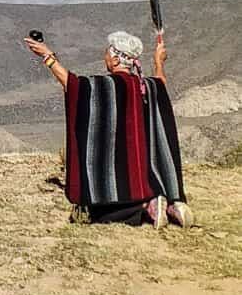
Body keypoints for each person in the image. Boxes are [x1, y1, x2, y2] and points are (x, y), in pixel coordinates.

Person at [24, 29, 193, 228]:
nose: (105, 58)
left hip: (123, 188)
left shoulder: (107, 86)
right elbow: (161, 84)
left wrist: (47, 56)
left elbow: (73, 85)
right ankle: (168, 204)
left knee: (103, 210)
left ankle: (147, 206)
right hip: (147, 181)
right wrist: (158, 62)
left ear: (114, 59)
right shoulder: (146, 86)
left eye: (106, 53)